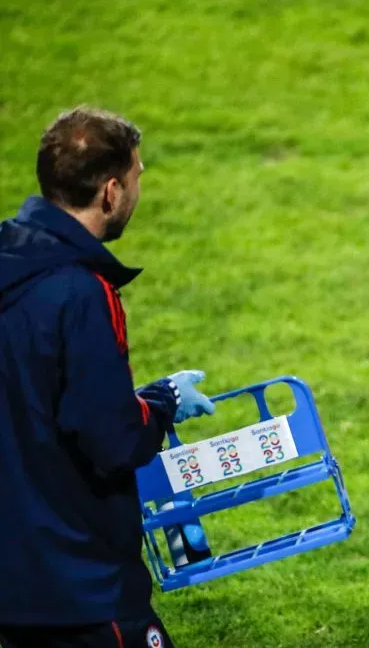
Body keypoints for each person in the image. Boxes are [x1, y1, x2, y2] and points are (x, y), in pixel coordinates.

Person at [0, 107, 216, 648]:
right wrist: (160, 404)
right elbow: (112, 438)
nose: (139, 192)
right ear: (111, 192)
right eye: (139, 176)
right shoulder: (81, 292)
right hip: (77, 584)